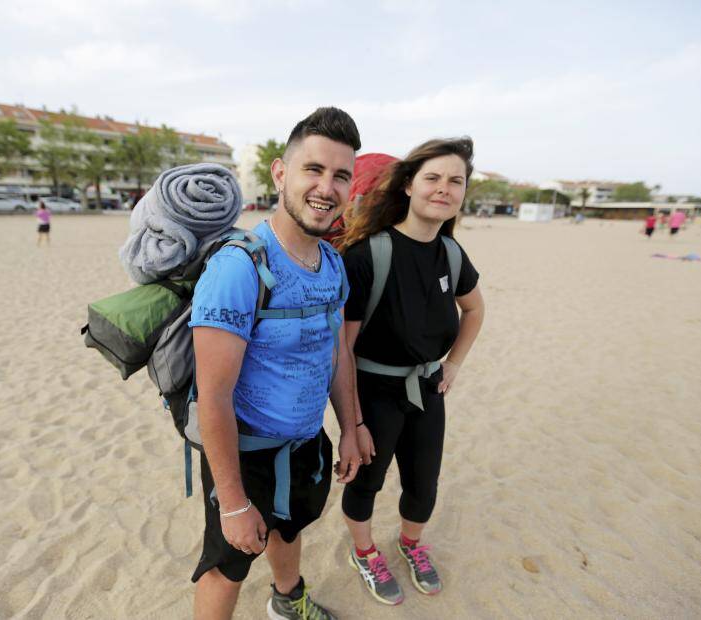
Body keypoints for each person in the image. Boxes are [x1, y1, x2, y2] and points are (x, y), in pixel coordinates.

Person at [189, 107, 363, 620]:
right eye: (313, 169)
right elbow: (213, 395)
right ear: (280, 173)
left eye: (340, 175)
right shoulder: (239, 267)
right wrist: (235, 501)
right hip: (244, 451)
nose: (326, 188)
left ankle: (288, 601)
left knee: (289, 528)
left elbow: (336, 352)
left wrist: (350, 426)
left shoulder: (332, 263)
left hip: (307, 441)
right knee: (228, 563)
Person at [336, 138, 485, 605]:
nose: (444, 188)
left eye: (455, 181)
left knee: (424, 484)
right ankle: (365, 552)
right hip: (373, 390)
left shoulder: (452, 254)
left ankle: (411, 544)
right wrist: (352, 422)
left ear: (463, 193)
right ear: (407, 186)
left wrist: (454, 363)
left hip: (427, 387)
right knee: (367, 481)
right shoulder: (367, 256)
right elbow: (343, 347)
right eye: (433, 178)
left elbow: (475, 311)